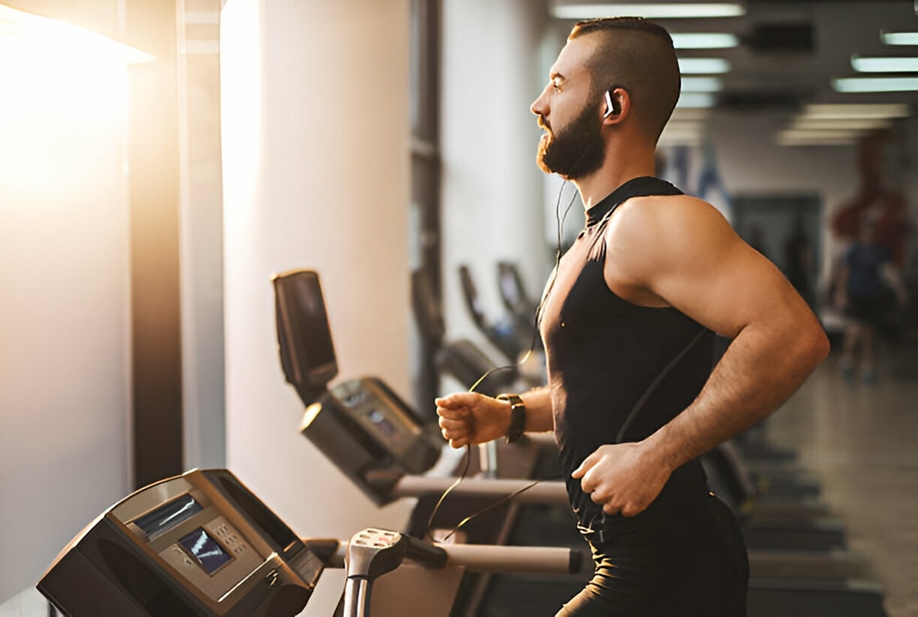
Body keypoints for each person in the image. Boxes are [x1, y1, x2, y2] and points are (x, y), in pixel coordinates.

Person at [436, 17, 829, 617]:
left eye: (559, 84)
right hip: (635, 554)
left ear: (612, 105)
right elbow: (608, 387)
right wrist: (511, 415)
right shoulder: (600, 233)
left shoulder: (652, 222)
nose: (539, 104)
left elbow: (794, 336)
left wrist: (657, 454)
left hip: (665, 561)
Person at [834, 215, 908, 384]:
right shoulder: (854, 251)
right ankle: (846, 360)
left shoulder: (879, 251)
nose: (869, 235)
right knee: (855, 328)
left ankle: (867, 368)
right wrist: (841, 294)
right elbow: (844, 273)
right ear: (861, 233)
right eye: (866, 231)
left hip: (872, 295)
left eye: (872, 232)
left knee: (869, 332)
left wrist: (900, 290)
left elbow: (890, 271)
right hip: (856, 294)